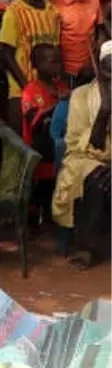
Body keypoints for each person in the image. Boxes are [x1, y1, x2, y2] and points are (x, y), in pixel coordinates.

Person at [53, 42, 112, 269]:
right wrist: (105, 110)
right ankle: (88, 248)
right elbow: (86, 145)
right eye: (109, 69)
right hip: (85, 159)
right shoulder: (81, 95)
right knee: (98, 179)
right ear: (99, 68)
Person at [0, 0, 59, 130]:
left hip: (49, 91)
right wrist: (27, 87)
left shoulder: (52, 11)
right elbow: (5, 52)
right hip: (21, 92)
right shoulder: (14, 12)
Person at [21, 43, 69, 222]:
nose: (57, 65)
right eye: (52, 61)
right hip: (39, 148)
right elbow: (35, 120)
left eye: (59, 61)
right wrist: (56, 105)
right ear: (37, 65)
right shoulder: (31, 90)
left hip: (59, 144)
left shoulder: (62, 86)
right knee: (40, 191)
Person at [50, 0, 102, 85]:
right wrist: (63, 76)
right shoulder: (52, 5)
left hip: (93, 71)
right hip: (67, 76)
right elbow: (52, 46)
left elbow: (99, 32)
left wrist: (93, 62)